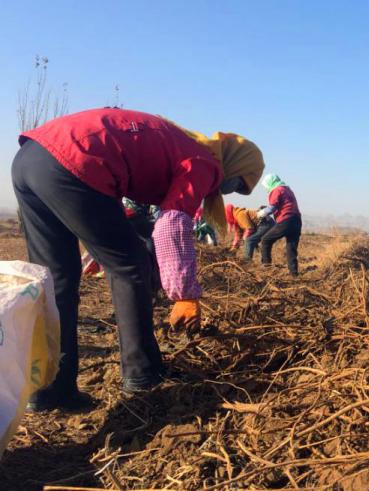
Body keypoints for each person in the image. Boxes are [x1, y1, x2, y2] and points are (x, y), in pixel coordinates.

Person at [12, 108, 264, 411]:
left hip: (31, 157)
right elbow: (171, 225)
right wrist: (184, 295)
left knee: (56, 281)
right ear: (235, 162)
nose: (232, 190)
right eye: (239, 184)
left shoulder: (178, 144)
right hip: (72, 160)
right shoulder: (203, 160)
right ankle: (143, 374)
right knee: (131, 266)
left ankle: (51, 388)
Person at [256, 174, 302, 276]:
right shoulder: (287, 189)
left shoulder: (277, 190)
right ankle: (294, 275)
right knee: (291, 248)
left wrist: (260, 213)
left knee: (265, 240)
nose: (266, 188)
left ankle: (266, 268)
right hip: (297, 221)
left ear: (270, 182)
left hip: (286, 221)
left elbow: (272, 208)